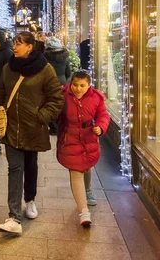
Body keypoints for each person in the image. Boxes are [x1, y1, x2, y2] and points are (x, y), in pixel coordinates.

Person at [0, 32, 63, 236]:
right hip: (11, 126)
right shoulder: (8, 68)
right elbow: (1, 95)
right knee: (15, 168)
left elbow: (56, 98)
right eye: (14, 43)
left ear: (30, 47)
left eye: (19, 44)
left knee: (30, 166)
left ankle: (30, 200)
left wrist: (40, 116)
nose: (15, 47)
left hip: (33, 127)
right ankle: (14, 217)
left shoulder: (45, 69)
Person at [57, 70, 109, 227]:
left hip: (88, 138)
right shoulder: (63, 95)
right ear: (70, 83)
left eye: (82, 85)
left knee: (85, 167)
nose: (78, 89)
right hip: (69, 138)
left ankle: (87, 190)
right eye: (75, 84)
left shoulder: (96, 98)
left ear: (89, 85)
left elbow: (103, 115)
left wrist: (100, 127)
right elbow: (53, 110)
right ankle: (84, 212)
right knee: (76, 171)